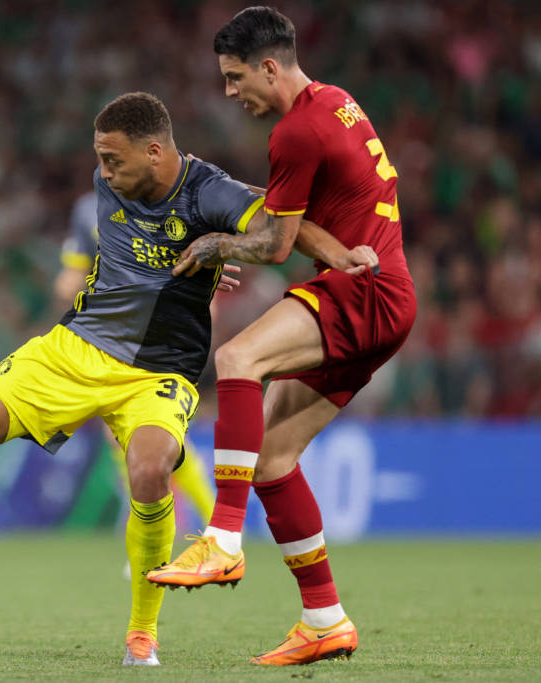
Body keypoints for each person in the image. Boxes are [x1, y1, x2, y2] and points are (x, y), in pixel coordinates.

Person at [0, 92, 370, 666]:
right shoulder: (109, 183)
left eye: (114, 159)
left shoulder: (209, 190)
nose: (103, 171)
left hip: (160, 371)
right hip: (75, 347)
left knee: (149, 471)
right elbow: (133, 255)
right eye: (100, 158)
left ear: (155, 152)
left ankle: (142, 634)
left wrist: (335, 256)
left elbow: (281, 223)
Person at [147, 7, 415, 666]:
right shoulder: (336, 103)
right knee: (271, 459)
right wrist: (330, 246)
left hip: (365, 292)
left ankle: (222, 538)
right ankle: (325, 619)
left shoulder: (295, 133)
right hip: (382, 288)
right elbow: (304, 219)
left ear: (270, 67)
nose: (230, 91)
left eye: (236, 77)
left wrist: (216, 244)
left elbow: (273, 244)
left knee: (238, 356)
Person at [55, 191, 219, 530]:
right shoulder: (88, 209)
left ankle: (205, 520)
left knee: (148, 430)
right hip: (119, 331)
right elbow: (73, 273)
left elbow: (196, 265)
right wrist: (70, 286)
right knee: (123, 431)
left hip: (161, 326)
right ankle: (197, 520)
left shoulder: (169, 199)